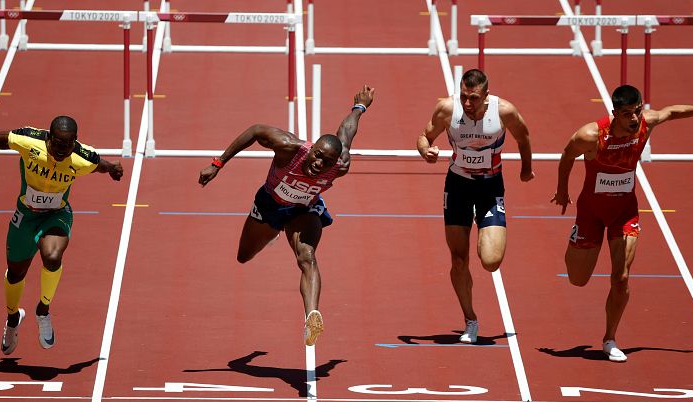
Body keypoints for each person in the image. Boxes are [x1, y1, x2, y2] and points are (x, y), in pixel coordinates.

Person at [551, 85, 693, 362]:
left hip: (625, 212)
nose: (633, 119)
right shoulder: (591, 135)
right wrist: (562, 190)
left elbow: (670, 112)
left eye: (636, 112)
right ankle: (578, 243)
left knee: (621, 277)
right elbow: (566, 155)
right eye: (626, 114)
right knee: (577, 279)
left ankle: (609, 339)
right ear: (614, 114)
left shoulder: (646, 123)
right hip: (591, 213)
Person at [198, 85, 375, 346]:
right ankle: (272, 234)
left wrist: (359, 108)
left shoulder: (340, 165)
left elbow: (346, 132)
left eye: (326, 162)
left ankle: (311, 316)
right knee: (243, 256)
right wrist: (218, 163)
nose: (318, 164)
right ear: (312, 149)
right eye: (317, 156)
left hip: (303, 210)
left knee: (307, 257)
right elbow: (256, 130)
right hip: (270, 204)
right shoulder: (288, 147)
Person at [0, 116, 123, 355]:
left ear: (75, 142)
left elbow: (101, 165)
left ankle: (43, 310)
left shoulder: (82, 157)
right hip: (25, 216)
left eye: (68, 145)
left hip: (56, 214)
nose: (62, 151)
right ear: (48, 138)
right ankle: (13, 318)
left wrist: (113, 169)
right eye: (57, 144)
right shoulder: (28, 141)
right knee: (15, 274)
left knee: (52, 256)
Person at [416, 69, 534, 344]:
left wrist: (526, 169)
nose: (468, 104)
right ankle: (470, 320)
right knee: (458, 259)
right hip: (457, 186)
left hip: (490, 188)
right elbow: (424, 135)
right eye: (464, 97)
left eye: (474, 98)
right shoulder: (447, 109)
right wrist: (426, 151)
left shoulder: (503, 111)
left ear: (486, 96)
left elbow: (524, 136)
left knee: (491, 262)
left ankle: (487, 231)